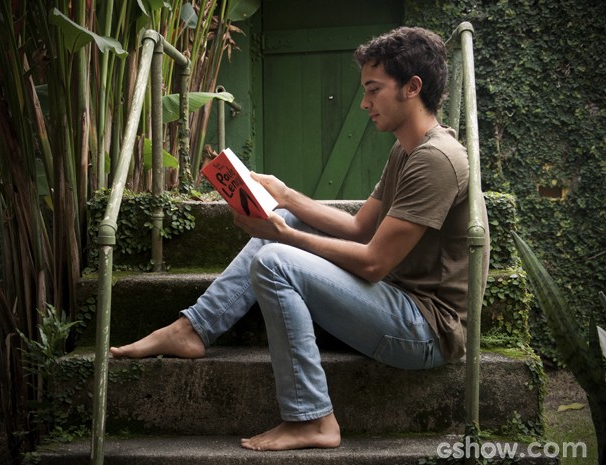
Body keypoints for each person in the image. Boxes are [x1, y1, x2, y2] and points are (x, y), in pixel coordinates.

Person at [110, 26, 490, 452]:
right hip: (396, 301)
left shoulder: (436, 159)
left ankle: (312, 418)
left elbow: (372, 262)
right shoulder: (406, 150)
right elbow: (358, 228)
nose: (364, 102)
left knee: (275, 260)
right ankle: (194, 328)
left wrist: (283, 236)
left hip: (426, 329)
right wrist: (285, 197)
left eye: (373, 89)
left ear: (412, 87)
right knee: (286, 216)